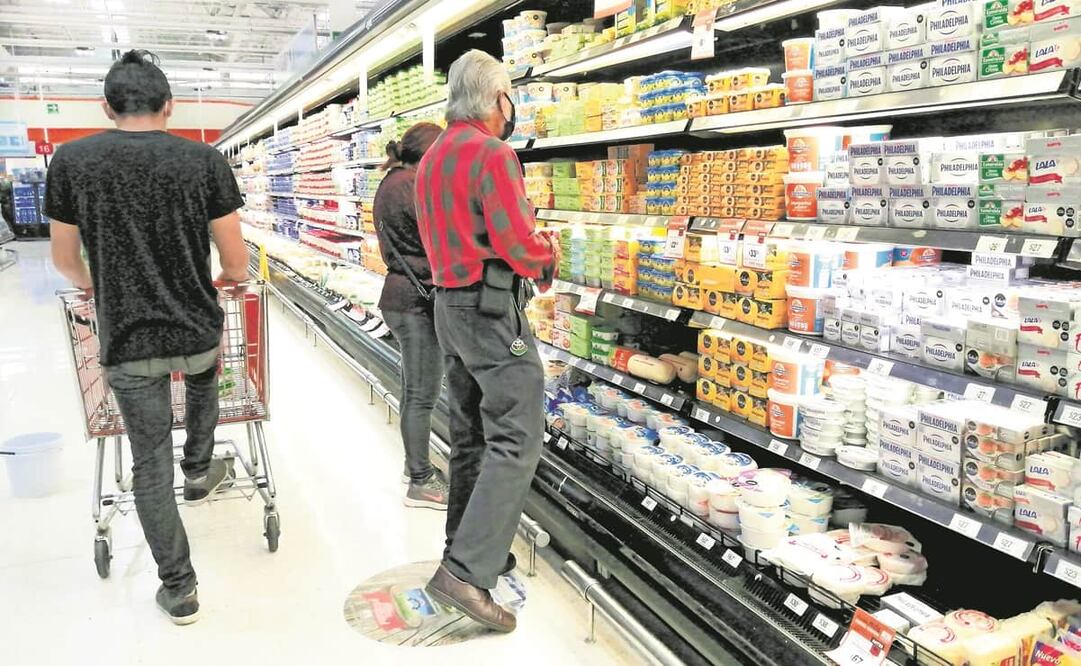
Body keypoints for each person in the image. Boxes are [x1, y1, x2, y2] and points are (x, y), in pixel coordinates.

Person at [45, 49, 249, 626]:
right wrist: (222, 280)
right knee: (205, 379)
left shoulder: (72, 161)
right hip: (197, 326)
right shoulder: (204, 161)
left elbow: (64, 258)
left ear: (107, 107)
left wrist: (97, 286)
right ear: (170, 106)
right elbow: (236, 261)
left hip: (128, 339)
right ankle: (200, 467)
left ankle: (179, 587)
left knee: (148, 461)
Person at [414, 49, 558, 634]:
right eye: (509, 96)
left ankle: (470, 548)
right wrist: (546, 252)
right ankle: (465, 574)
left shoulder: (432, 156)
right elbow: (517, 244)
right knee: (518, 437)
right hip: (490, 308)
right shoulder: (492, 153)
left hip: (448, 307)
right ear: (497, 98)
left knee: (471, 435)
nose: (511, 107)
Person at [372, 122, 449, 509]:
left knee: (414, 391)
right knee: (422, 395)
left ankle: (413, 465)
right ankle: (420, 481)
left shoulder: (393, 181)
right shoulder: (411, 186)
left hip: (400, 296)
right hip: (415, 302)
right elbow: (442, 234)